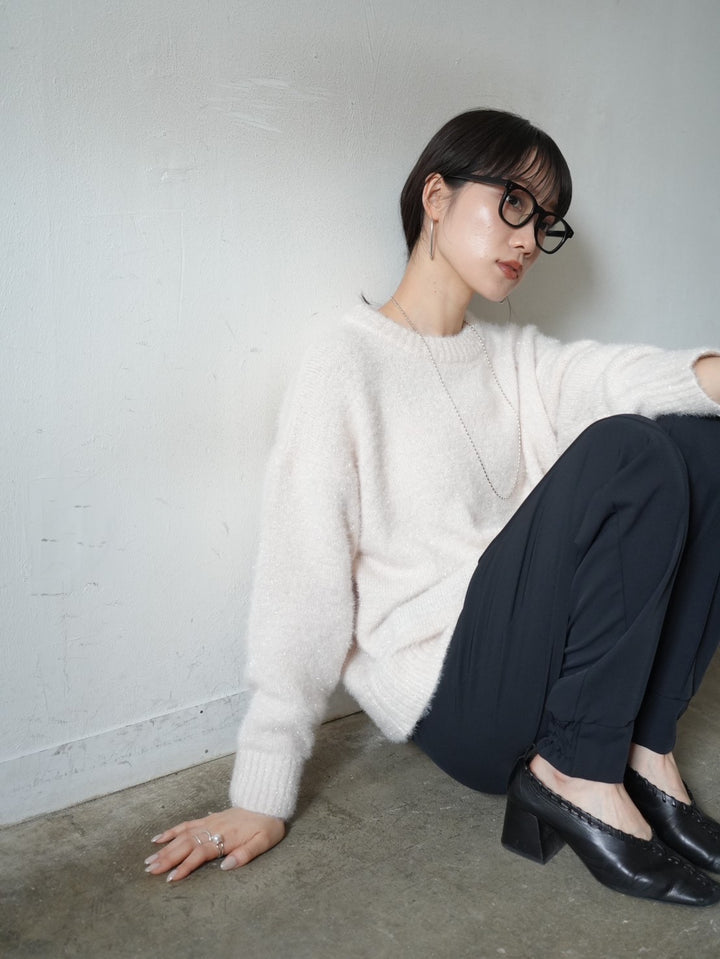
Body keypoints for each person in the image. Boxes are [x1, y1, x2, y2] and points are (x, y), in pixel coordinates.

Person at [144, 109, 720, 905]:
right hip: (461, 698)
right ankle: (575, 775)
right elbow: (301, 576)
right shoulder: (344, 359)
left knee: (702, 441)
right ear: (437, 197)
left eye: (544, 222)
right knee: (627, 447)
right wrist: (262, 792)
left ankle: (643, 749)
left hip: (543, 669)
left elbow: (619, 375)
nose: (528, 238)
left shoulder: (511, 357)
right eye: (514, 203)